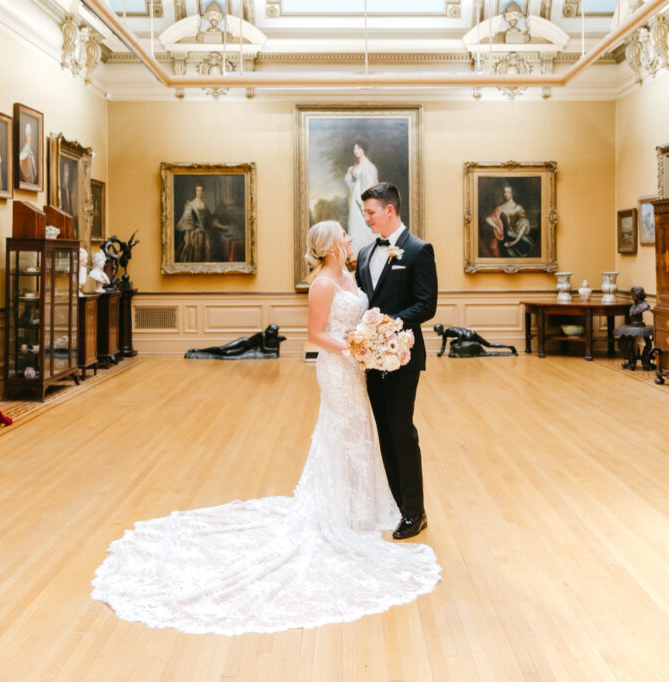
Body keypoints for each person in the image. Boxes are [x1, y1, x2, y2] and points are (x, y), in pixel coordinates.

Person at [92, 220, 441, 633]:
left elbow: (373, 310)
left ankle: (361, 505)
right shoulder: (321, 285)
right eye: (344, 235)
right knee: (342, 431)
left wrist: (368, 342)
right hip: (338, 367)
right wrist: (354, 347)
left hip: (356, 368)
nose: (352, 238)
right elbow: (315, 334)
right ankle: (338, 509)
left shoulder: (351, 273)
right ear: (330, 246)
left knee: (360, 432)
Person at [355, 182, 438, 540]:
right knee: (384, 432)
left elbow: (427, 304)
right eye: (364, 212)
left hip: (402, 354)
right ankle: (397, 504)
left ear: (390, 210)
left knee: (402, 430)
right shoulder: (362, 254)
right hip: (370, 359)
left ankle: (415, 512)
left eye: (371, 212)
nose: (366, 218)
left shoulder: (418, 250)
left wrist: (390, 326)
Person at [175, 183, 231, 262]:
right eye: (198, 190)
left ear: (203, 192)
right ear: (195, 192)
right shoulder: (191, 204)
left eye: (201, 191)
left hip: (205, 234)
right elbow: (186, 221)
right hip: (194, 235)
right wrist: (196, 229)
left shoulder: (204, 205)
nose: (199, 192)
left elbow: (210, 221)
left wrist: (222, 226)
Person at [343, 140, 378, 252]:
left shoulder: (367, 166)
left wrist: (366, 205)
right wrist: (349, 173)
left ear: (364, 149)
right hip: (355, 198)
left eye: (358, 148)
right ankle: (357, 255)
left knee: (364, 226)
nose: (356, 150)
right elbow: (351, 184)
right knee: (356, 225)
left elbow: (370, 186)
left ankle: (367, 252)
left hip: (361, 199)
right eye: (354, 148)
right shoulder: (357, 166)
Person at [483, 183, 535, 258]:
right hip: (505, 238)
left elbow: (524, 225)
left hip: (519, 238)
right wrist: (497, 227)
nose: (506, 194)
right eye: (505, 192)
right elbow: (488, 219)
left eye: (508, 192)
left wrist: (514, 242)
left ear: (512, 193)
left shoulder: (518, 208)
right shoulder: (500, 208)